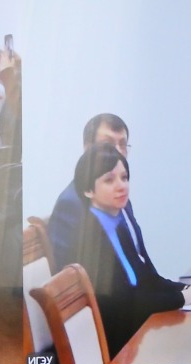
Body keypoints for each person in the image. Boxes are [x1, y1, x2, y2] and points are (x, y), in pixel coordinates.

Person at [68, 142, 186, 357]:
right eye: (109, 180)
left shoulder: (117, 223)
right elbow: (125, 304)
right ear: (87, 190)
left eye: (124, 178)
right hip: (118, 345)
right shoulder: (89, 238)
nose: (121, 186)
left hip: (135, 332)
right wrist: (183, 298)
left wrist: (186, 289)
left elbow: (146, 279)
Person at [47, 113, 149, 271]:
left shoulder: (120, 194)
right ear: (87, 149)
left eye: (123, 145)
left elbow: (140, 258)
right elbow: (73, 274)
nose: (118, 152)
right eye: (108, 144)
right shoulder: (72, 204)